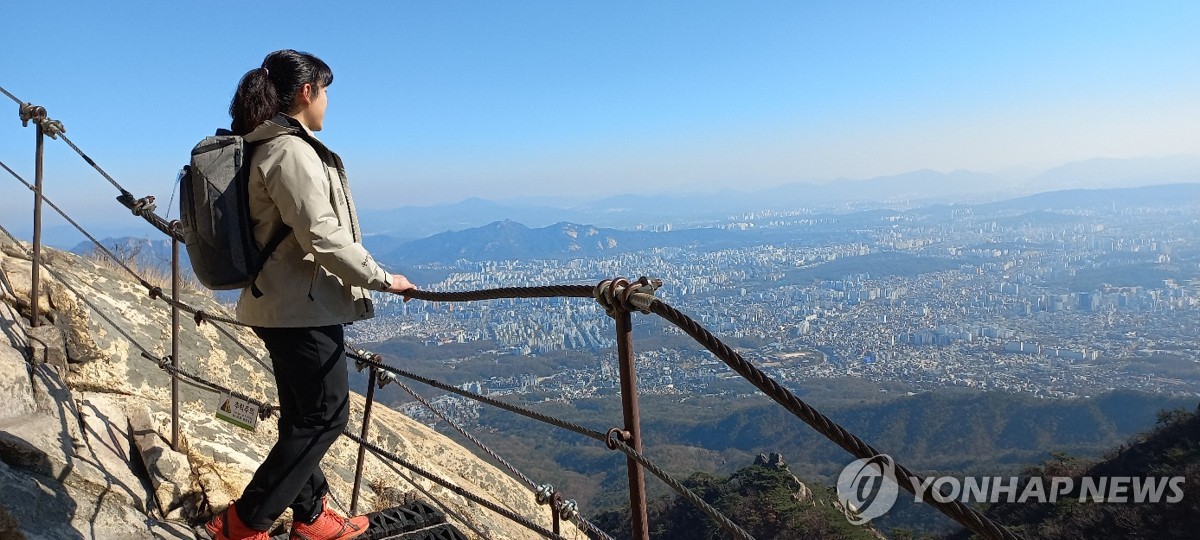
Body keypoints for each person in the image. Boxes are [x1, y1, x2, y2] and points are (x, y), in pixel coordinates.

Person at [204, 49, 416, 540]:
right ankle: (243, 523)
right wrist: (383, 278)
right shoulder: (289, 151)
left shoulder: (262, 146)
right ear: (307, 92)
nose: (327, 104)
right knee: (326, 416)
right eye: (326, 92)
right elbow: (321, 235)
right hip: (301, 306)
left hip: (277, 302)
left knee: (303, 415)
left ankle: (310, 515)